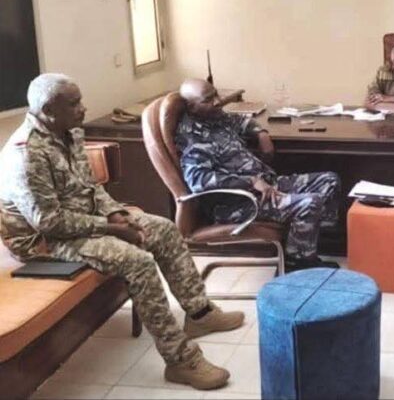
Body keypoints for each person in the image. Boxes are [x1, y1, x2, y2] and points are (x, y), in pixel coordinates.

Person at [0, 74, 241, 390]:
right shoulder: (26, 154)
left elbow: (90, 187)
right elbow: (49, 223)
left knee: (164, 230)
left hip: (81, 221)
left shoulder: (68, 132)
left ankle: (200, 313)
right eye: (74, 104)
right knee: (137, 261)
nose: (83, 108)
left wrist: (115, 212)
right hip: (44, 242)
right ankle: (181, 360)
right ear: (48, 110)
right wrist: (111, 228)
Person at [175, 78, 341, 272]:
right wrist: (250, 181)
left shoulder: (214, 117)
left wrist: (261, 134)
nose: (217, 101)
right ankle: (298, 264)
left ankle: (302, 244)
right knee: (310, 202)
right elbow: (199, 181)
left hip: (266, 186)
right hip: (238, 204)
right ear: (191, 106)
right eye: (208, 99)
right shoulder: (193, 138)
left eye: (216, 94)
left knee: (329, 181)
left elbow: (242, 121)